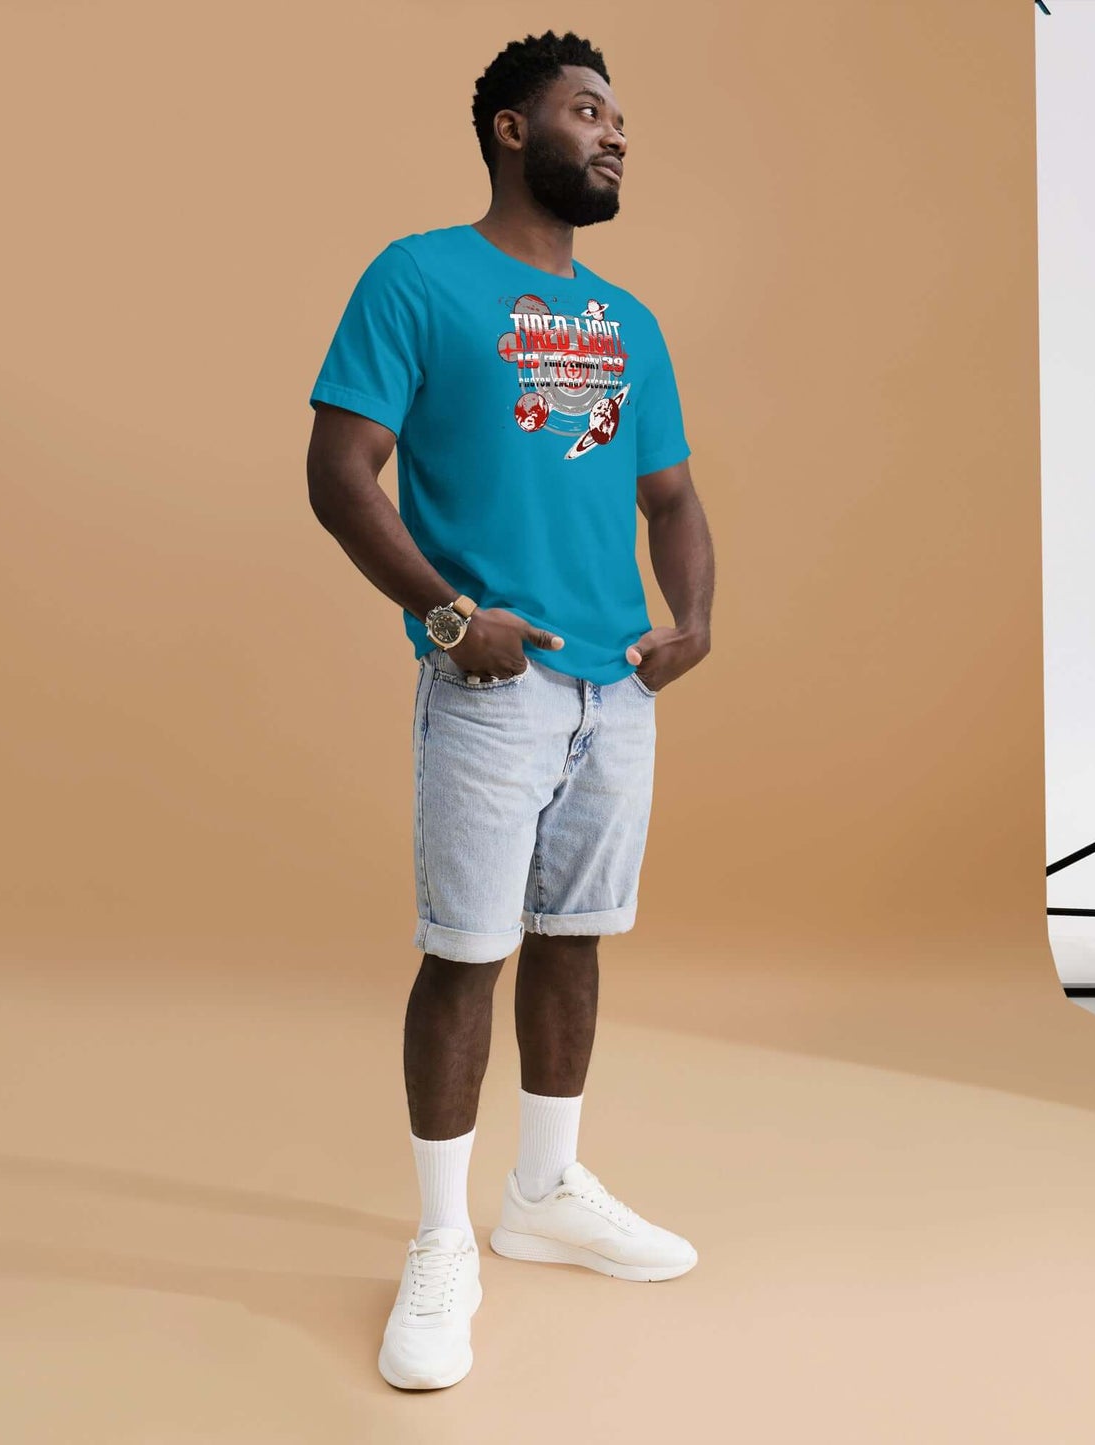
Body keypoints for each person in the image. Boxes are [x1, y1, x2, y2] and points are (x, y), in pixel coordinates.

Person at [306, 29, 715, 1391]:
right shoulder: (417, 278)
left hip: (616, 689)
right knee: (466, 951)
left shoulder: (630, 324)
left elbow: (668, 495)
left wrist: (692, 622)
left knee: (576, 938)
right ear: (506, 130)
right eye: (586, 112)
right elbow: (339, 468)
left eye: (618, 119)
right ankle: (440, 1242)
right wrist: (441, 615)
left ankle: (542, 1194)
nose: (612, 135)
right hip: (492, 683)